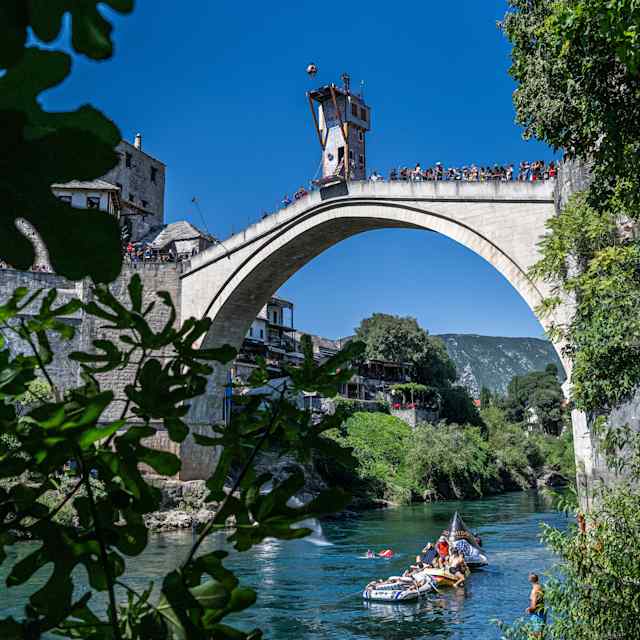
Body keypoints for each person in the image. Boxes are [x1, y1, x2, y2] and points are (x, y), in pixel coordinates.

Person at [526, 573, 546, 638]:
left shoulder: (534, 591)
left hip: (537, 615)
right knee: (540, 635)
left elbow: (534, 607)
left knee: (535, 635)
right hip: (543, 613)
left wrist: (529, 609)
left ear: (530, 580)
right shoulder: (541, 587)